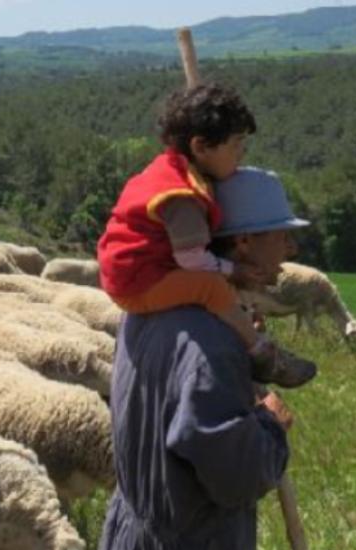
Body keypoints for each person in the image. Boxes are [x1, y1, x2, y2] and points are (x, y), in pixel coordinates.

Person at [97, 167, 306, 550]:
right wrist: (270, 427)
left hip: (137, 542)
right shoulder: (210, 344)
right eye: (280, 234)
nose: (291, 248)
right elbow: (235, 474)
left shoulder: (151, 307)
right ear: (244, 240)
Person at [96, 83, 315, 388]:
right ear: (200, 147)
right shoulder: (183, 197)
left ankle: (247, 331)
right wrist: (233, 270)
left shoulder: (171, 171)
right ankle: (263, 354)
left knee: (216, 289)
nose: (242, 153)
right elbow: (191, 258)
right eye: (236, 144)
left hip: (132, 273)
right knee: (211, 289)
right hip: (140, 282)